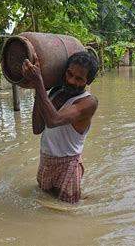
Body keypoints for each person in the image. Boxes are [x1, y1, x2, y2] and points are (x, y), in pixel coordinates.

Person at [22, 51, 99, 204]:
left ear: (88, 81)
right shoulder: (56, 92)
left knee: (67, 213)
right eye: (69, 74)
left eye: (79, 78)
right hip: (46, 161)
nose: (71, 80)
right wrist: (39, 88)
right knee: (44, 205)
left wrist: (39, 82)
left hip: (68, 165)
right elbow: (37, 128)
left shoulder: (88, 102)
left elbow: (53, 120)